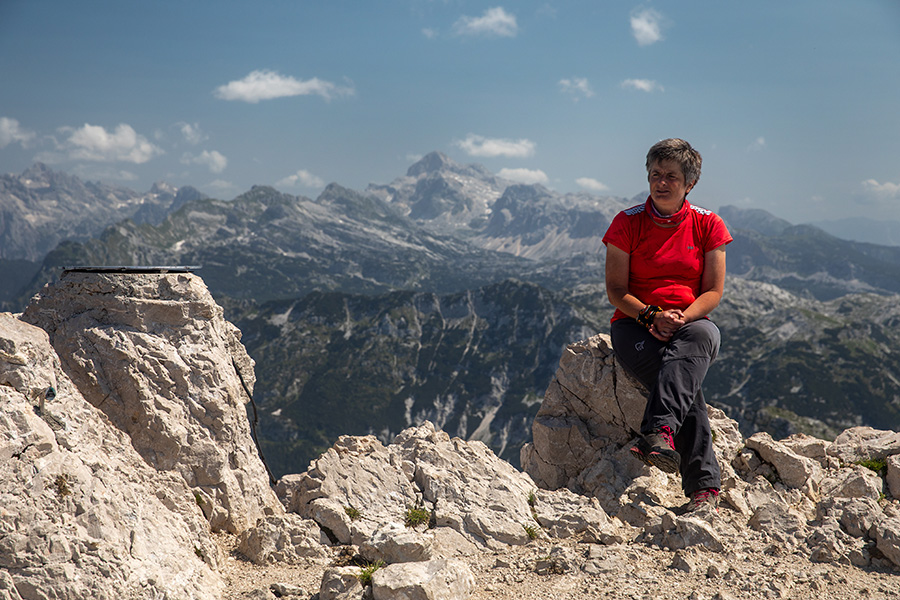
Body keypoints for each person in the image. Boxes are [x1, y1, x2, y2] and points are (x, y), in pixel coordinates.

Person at [601, 138, 732, 511]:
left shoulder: (709, 224)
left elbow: (713, 291)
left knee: (704, 335)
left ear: (689, 183)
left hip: (691, 324)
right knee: (684, 386)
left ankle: (659, 435)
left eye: (671, 176)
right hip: (634, 323)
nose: (661, 182)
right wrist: (650, 316)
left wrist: (681, 318)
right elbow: (616, 291)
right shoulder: (627, 223)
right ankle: (704, 487)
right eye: (655, 174)